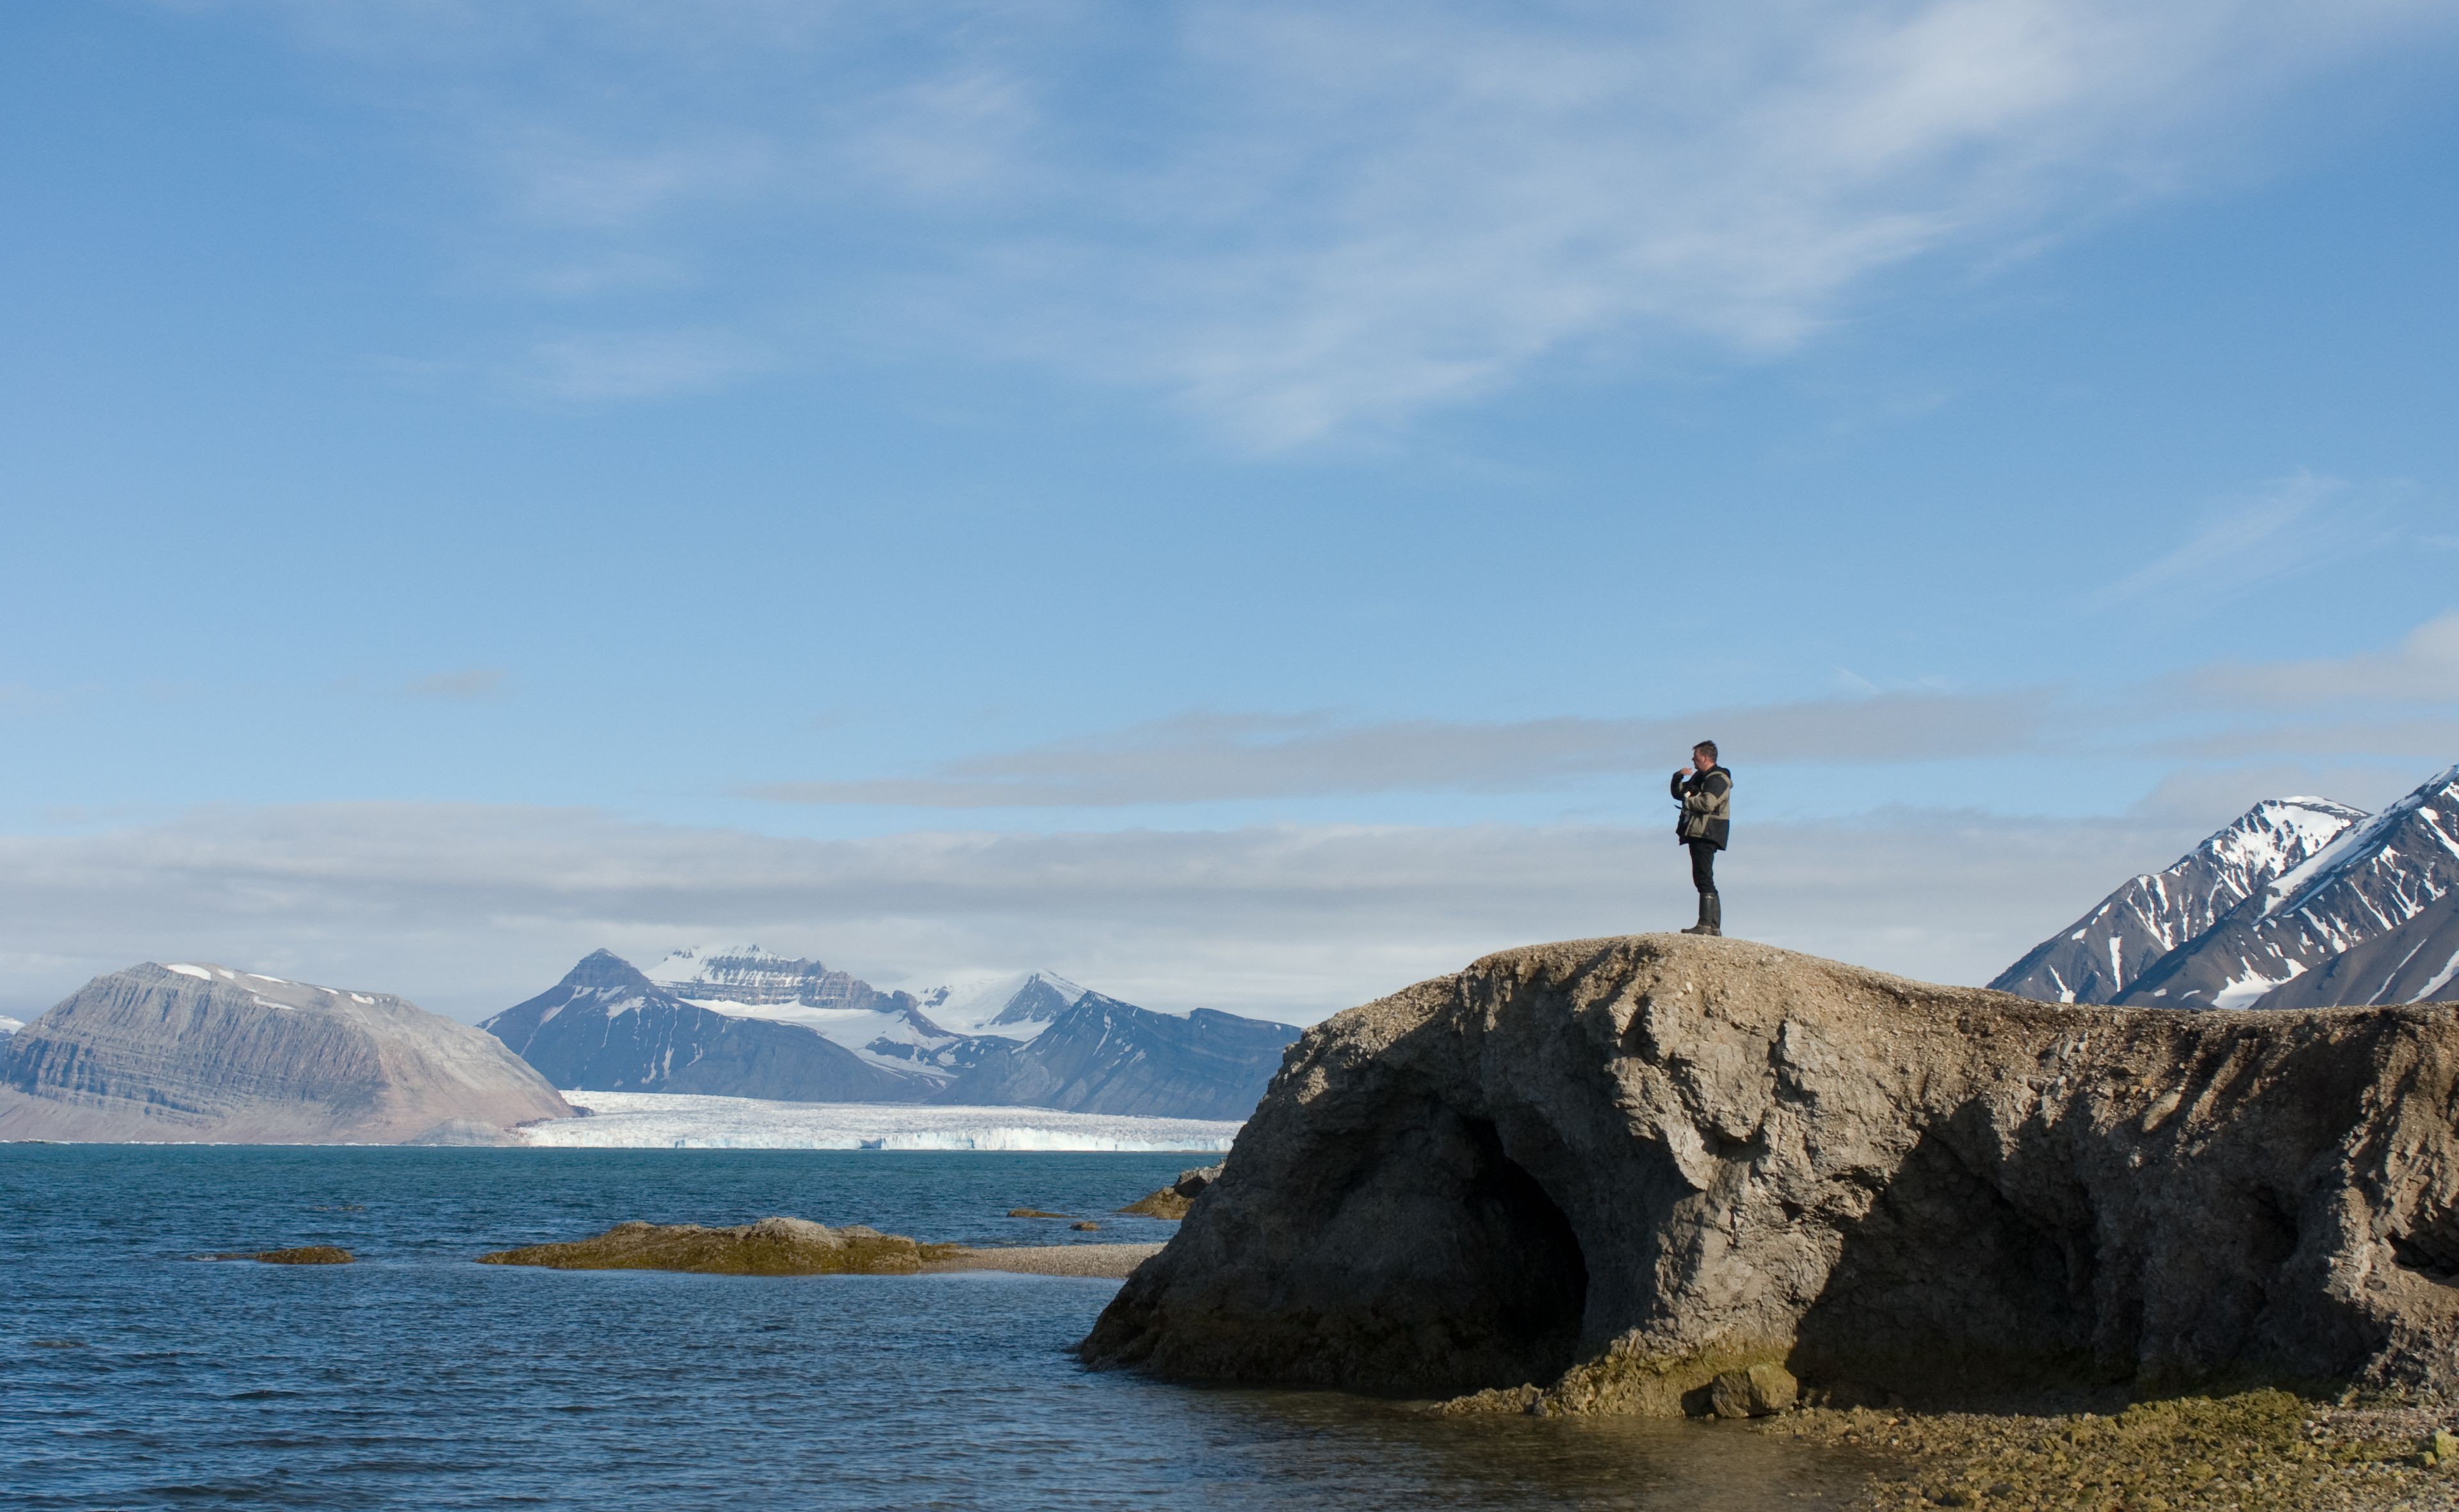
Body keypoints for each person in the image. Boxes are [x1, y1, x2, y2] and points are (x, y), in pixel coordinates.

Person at [1670, 741, 1731, 937]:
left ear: (1705, 757)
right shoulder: (1700, 776)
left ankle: (1707, 924)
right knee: (1703, 877)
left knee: (1704, 877)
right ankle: (1712, 926)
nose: (1693, 760)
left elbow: (1707, 803)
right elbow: (1679, 793)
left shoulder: (1718, 778)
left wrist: (1688, 801)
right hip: (1699, 831)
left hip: (1707, 832)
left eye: (1695, 756)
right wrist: (1678, 777)